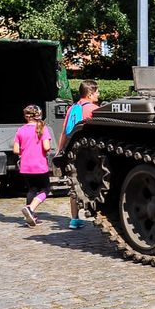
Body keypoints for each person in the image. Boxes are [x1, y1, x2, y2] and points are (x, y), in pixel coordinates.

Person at [60, 79, 100, 229]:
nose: (98, 94)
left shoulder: (72, 108)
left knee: (74, 185)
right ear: (89, 93)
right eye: (97, 92)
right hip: (90, 154)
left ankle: (74, 219)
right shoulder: (93, 109)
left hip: (73, 152)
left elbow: (64, 131)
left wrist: (61, 151)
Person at [13, 104, 54, 227]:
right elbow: (46, 147)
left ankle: (31, 217)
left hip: (25, 166)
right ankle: (30, 209)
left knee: (32, 189)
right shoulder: (42, 129)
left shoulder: (20, 130)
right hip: (39, 165)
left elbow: (16, 150)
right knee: (46, 189)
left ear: (26, 116)